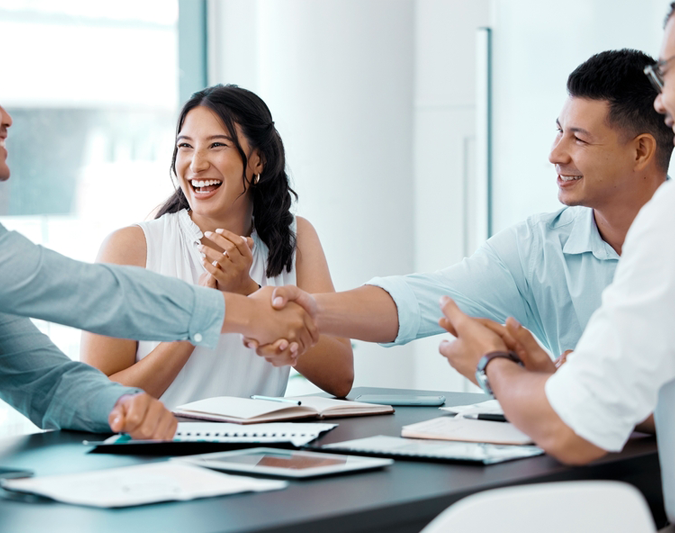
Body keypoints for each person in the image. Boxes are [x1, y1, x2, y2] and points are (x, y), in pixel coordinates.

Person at [0, 32, 317, 462]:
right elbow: (85, 291)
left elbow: (43, 382)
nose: (8, 118)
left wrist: (117, 405)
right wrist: (245, 312)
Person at [251, 48, 672, 368]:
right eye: (559, 132)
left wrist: (576, 381)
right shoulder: (540, 247)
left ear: (640, 151)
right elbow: (422, 299)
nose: (555, 154)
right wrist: (313, 310)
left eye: (578, 139)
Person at [431, 4, 675, 522]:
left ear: (640, 151)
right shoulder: (541, 240)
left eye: (669, 71)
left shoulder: (664, 224)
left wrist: (491, 365)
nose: (663, 96)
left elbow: (572, 432)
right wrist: (567, 385)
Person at [80, 85, 353, 408]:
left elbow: (340, 376)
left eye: (217, 145)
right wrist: (201, 315)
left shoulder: (295, 238)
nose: (196, 164)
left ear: (258, 160)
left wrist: (248, 292)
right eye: (185, 146)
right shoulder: (131, 248)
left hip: (260, 440)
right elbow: (95, 400)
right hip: (160, 440)